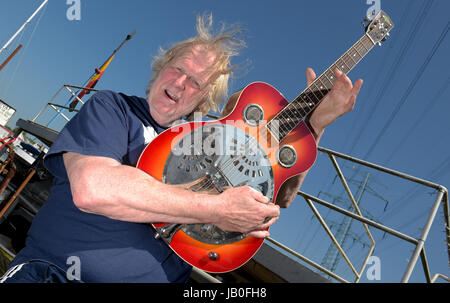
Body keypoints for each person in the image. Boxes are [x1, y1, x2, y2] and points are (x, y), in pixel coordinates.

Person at [0, 13, 362, 283]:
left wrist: (315, 124)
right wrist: (214, 208)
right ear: (160, 69)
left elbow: (279, 193)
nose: (181, 84)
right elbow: (94, 189)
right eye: (177, 69)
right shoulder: (113, 109)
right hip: (56, 273)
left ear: (205, 97)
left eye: (196, 82)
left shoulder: (211, 140)